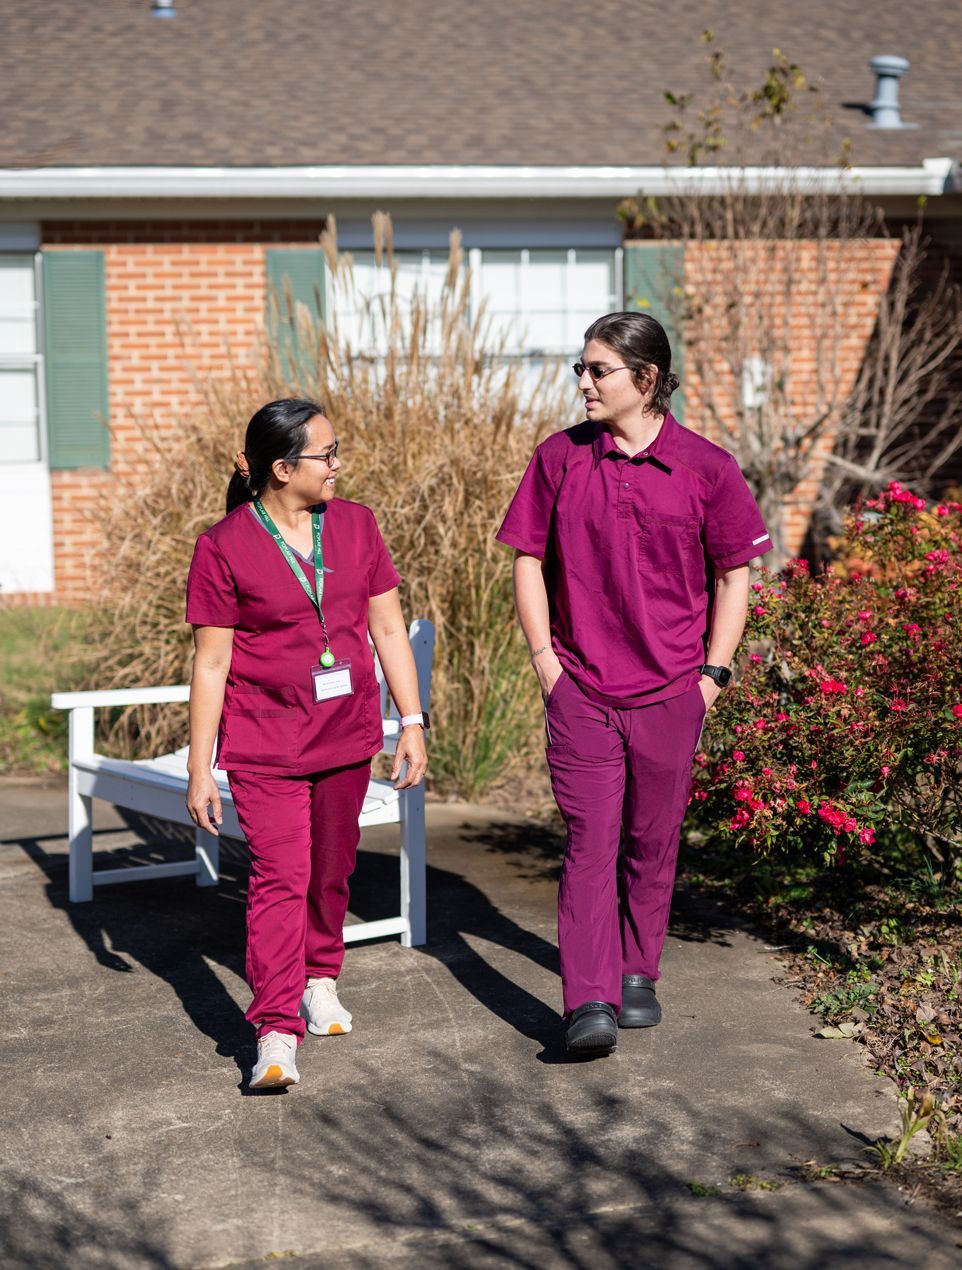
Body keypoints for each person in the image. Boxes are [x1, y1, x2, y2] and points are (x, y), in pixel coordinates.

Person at [496, 312, 769, 1056]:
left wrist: (711, 674)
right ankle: (588, 998)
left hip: (672, 691)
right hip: (581, 689)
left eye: (597, 370)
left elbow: (733, 573)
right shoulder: (557, 459)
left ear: (645, 380)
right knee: (591, 841)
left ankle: (637, 970)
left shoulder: (707, 468)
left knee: (652, 839)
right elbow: (526, 558)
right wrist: (546, 663)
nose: (582, 383)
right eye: (579, 369)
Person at [185, 398, 428, 1089]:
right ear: (280, 466)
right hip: (266, 746)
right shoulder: (224, 546)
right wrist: (200, 768)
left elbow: (386, 630)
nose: (337, 465)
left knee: (330, 872)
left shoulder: (355, 525)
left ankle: (319, 978)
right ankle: (274, 1031)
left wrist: (411, 721)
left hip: (346, 735)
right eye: (325, 454)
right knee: (279, 879)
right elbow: (211, 664)